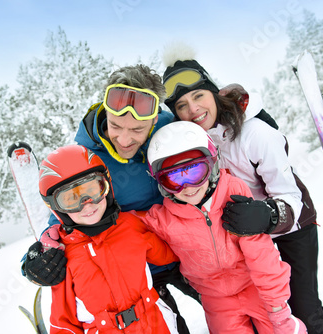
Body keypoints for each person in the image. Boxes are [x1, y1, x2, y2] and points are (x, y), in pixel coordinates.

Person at [161, 50, 323, 334]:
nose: (192, 109)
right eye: (182, 105)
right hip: (247, 239)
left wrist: (266, 214)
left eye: (198, 96)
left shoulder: (256, 135)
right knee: (265, 313)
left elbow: (293, 198)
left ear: (213, 93)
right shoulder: (195, 145)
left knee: (301, 310)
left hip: (292, 229)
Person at [22, 65, 200, 334]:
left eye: (137, 129)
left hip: (183, 249)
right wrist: (35, 260)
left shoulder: (167, 127)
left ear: (154, 120)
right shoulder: (87, 161)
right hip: (137, 268)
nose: (125, 139)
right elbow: (65, 215)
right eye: (116, 125)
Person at [139, 120, 306, 334]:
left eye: (195, 171)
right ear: (160, 183)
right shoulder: (163, 219)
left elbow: (262, 255)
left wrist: (278, 308)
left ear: (212, 164)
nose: (188, 187)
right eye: (173, 179)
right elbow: (131, 231)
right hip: (215, 299)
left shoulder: (233, 194)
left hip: (253, 286)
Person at [39, 144, 180, 333]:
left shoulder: (130, 225)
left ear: (106, 186)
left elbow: (169, 253)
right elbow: (63, 323)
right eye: (71, 199)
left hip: (155, 324)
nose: (86, 205)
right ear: (57, 208)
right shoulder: (63, 257)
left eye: (92, 190)